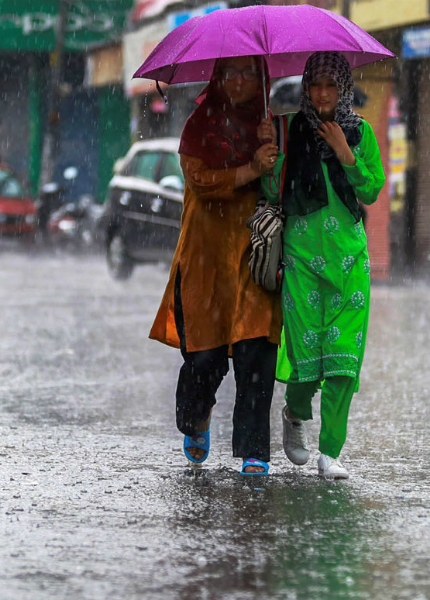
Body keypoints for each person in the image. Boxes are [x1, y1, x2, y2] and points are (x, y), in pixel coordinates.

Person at [148, 56, 282, 476]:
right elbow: (201, 182)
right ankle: (196, 418)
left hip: (253, 256)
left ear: (261, 79)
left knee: (255, 352)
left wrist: (273, 155)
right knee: (204, 358)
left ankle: (254, 450)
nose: (240, 81)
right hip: (204, 257)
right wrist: (250, 168)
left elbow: (283, 188)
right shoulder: (198, 126)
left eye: (249, 73)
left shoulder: (270, 125)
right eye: (231, 72)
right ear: (218, 78)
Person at [260, 51, 385, 480]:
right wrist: (268, 150)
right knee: (306, 357)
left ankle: (330, 451)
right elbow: (271, 183)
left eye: (332, 85)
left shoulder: (360, 131)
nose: (324, 94)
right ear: (307, 88)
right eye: (316, 85)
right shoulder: (291, 129)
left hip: (349, 260)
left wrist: (344, 153)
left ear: (344, 88)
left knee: (342, 360)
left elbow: (371, 190)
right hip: (302, 259)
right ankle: (294, 415)